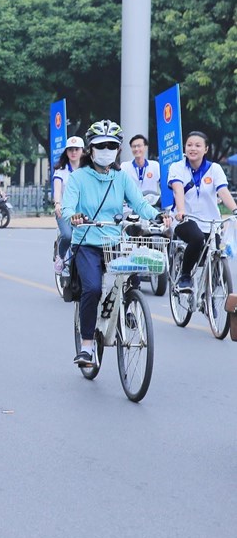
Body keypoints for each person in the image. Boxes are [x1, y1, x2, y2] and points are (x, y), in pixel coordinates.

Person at [62, 120, 167, 367]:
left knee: (131, 280)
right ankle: (87, 345)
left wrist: (158, 215)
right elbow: (68, 206)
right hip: (87, 242)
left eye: (112, 145)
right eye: (101, 145)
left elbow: (140, 204)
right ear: (91, 148)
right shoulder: (78, 178)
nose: (107, 149)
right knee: (93, 289)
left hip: (116, 241)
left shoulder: (121, 177)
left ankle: (127, 307)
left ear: (118, 149)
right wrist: (74, 216)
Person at [168, 130, 237, 291]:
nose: (193, 148)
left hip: (211, 222)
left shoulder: (215, 169)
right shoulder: (177, 167)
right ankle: (185, 276)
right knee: (197, 238)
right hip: (185, 219)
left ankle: (210, 295)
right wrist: (181, 211)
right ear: (185, 148)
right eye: (189, 145)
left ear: (206, 149)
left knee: (218, 253)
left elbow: (223, 191)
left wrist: (234, 209)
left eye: (198, 145)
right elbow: (178, 189)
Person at [52, 136, 85, 272]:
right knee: (67, 236)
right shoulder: (61, 170)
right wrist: (58, 204)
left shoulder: (89, 169)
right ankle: (60, 255)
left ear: (82, 151)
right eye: (70, 149)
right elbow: (57, 190)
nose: (73, 152)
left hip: (84, 211)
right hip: (64, 210)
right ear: (66, 152)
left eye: (76, 149)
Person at [124, 134, 161, 204]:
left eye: (139, 146)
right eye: (133, 146)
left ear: (145, 147)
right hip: (132, 206)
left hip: (152, 206)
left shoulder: (155, 165)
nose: (136, 149)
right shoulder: (125, 166)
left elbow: (164, 185)